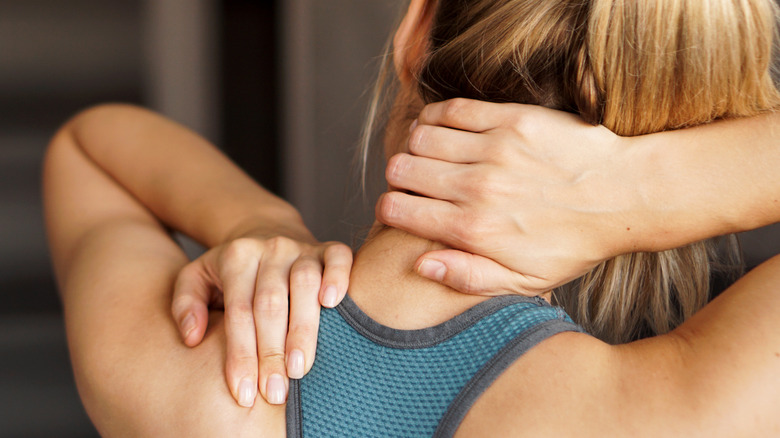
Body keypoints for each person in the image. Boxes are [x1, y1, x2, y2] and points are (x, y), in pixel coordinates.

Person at [44, 0, 780, 436]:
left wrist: (252, 220)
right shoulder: (674, 411)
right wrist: (647, 189)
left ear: (413, 31)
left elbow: (89, 145)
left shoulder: (192, 375)